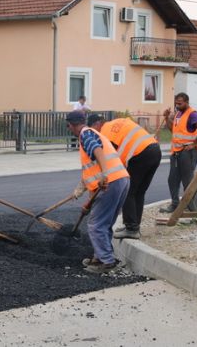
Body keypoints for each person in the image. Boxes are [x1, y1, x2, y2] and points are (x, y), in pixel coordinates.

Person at [65, 110, 130, 274]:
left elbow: (98, 151)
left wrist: (105, 174)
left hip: (111, 181)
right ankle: (99, 257)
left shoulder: (85, 135)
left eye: (69, 126)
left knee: (96, 225)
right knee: (104, 223)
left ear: (70, 125)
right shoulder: (92, 133)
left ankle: (107, 262)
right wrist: (80, 192)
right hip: (121, 180)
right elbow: (90, 172)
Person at [87, 114, 161, 239]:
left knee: (128, 191)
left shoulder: (105, 131)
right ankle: (134, 226)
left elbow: (108, 159)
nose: (94, 134)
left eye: (93, 130)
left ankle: (131, 228)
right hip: (154, 151)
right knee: (139, 192)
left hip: (140, 155)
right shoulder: (118, 122)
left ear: (97, 124)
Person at [160, 93, 197, 213]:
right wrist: (167, 118)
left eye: (180, 103)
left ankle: (191, 207)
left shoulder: (193, 114)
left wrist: (194, 144)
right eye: (176, 103)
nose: (177, 105)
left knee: (188, 180)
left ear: (187, 102)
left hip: (188, 152)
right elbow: (173, 130)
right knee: (172, 179)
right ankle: (175, 204)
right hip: (176, 152)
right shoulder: (178, 114)